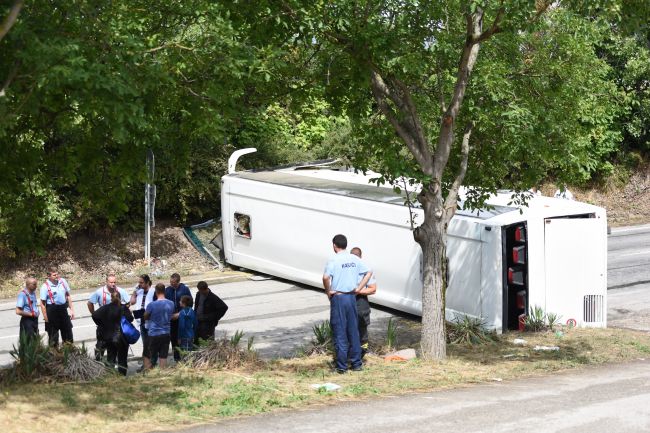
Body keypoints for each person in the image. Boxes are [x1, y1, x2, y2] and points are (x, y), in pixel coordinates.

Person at [323, 234, 372, 373]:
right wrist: (359, 288)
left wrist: (328, 291)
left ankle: (342, 366)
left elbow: (325, 277)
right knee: (353, 331)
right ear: (346, 244)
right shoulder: (354, 259)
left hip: (338, 297)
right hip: (351, 297)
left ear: (334, 246)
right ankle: (357, 364)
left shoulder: (333, 259)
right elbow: (369, 272)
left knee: (339, 331)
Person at [88, 274, 130, 361]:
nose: (113, 284)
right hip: (104, 322)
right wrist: (95, 315)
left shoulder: (120, 291)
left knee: (114, 345)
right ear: (106, 282)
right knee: (101, 344)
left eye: (114, 282)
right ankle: (98, 361)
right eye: (111, 282)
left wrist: (123, 311)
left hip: (116, 323)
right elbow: (90, 303)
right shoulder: (99, 292)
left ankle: (114, 363)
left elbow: (128, 302)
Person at [91, 291, 134, 375]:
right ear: (120, 298)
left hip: (109, 337)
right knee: (122, 359)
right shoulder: (123, 308)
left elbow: (94, 315)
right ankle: (122, 377)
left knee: (110, 359)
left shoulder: (105, 308)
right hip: (122, 338)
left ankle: (111, 377)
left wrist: (101, 324)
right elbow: (131, 319)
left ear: (111, 298)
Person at [350, 247, 377, 358]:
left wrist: (358, 291)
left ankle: (362, 354)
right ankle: (355, 354)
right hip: (350, 300)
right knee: (354, 329)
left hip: (360, 300)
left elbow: (373, 289)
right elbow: (373, 289)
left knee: (361, 328)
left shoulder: (365, 269)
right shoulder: (347, 269)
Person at [39, 266, 75, 346]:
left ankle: (68, 351)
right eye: (54, 275)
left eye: (57, 274)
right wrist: (46, 318)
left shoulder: (62, 282)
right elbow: (42, 304)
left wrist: (71, 310)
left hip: (63, 309)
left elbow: (68, 295)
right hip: (52, 310)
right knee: (53, 336)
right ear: (49, 276)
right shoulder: (45, 287)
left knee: (68, 332)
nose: (57, 276)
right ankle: (55, 354)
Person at [144, 283, 175, 369]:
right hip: (166, 333)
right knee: (163, 356)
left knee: (147, 355)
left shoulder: (151, 305)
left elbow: (145, 316)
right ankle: (162, 373)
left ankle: (147, 373)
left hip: (153, 333)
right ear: (164, 291)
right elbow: (171, 315)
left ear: (156, 292)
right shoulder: (171, 303)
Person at [165, 273, 192, 361]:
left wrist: (180, 314)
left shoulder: (184, 289)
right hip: (171, 319)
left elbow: (190, 304)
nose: (171, 284)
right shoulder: (168, 290)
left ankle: (185, 357)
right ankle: (177, 358)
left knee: (183, 338)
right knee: (174, 339)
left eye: (173, 283)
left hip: (182, 318)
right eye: (170, 282)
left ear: (178, 282)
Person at [130, 274, 153, 369]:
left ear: (147, 282)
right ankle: (146, 365)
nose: (139, 284)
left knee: (150, 344)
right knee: (145, 344)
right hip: (141, 321)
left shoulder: (153, 291)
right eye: (139, 282)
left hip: (150, 322)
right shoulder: (139, 291)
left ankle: (150, 364)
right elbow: (132, 301)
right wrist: (135, 290)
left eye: (141, 282)